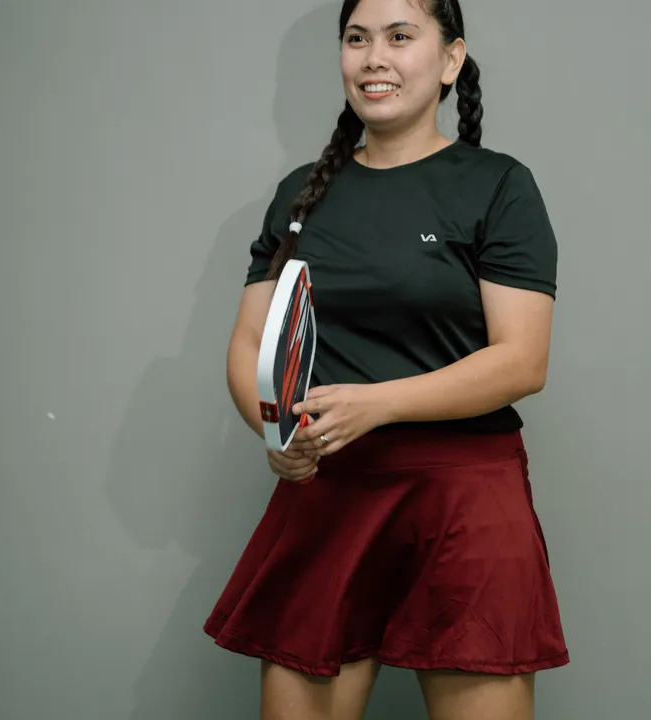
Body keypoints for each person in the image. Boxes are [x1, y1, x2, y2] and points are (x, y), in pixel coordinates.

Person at [204, 0, 569, 717]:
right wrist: (276, 434)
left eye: (401, 37)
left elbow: (522, 361)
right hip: (328, 490)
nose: (374, 58)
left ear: (450, 59)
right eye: (357, 38)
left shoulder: (497, 185)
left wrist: (378, 404)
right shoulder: (299, 194)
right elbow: (251, 341)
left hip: (465, 499)